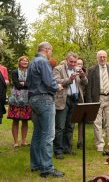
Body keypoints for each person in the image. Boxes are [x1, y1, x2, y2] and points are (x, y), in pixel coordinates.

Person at [26, 42, 64, 178]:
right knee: (48, 135)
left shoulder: (32, 62)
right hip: (44, 99)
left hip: (33, 99)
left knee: (37, 134)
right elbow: (49, 82)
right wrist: (57, 86)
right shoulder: (43, 62)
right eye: (51, 51)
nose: (51, 53)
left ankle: (36, 164)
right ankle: (47, 168)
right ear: (46, 49)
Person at [53, 52, 88, 159]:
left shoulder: (77, 69)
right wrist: (70, 79)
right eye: (71, 61)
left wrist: (82, 76)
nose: (73, 64)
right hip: (63, 99)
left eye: (74, 62)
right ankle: (58, 151)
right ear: (66, 60)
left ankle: (67, 149)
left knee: (70, 126)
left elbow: (85, 83)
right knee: (60, 127)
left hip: (75, 99)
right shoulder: (58, 69)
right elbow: (56, 81)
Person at [86, 50, 109, 152]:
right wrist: (90, 101)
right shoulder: (92, 70)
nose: (102, 59)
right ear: (97, 58)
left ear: (107, 57)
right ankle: (99, 144)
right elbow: (88, 86)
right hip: (97, 98)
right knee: (97, 122)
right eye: (100, 57)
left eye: (104, 57)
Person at [7, 56, 32, 147]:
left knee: (25, 121)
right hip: (15, 100)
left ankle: (24, 141)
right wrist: (25, 84)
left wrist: (24, 83)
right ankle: (16, 142)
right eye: (23, 60)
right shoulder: (14, 72)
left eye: (26, 61)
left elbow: (31, 84)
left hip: (27, 100)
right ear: (19, 62)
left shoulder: (31, 72)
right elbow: (16, 85)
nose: (25, 62)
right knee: (15, 120)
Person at [75, 57, 87, 149]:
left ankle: (80, 141)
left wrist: (82, 75)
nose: (79, 65)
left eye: (81, 64)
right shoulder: (70, 71)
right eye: (78, 63)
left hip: (81, 99)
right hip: (71, 98)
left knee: (81, 121)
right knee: (71, 122)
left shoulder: (84, 73)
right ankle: (69, 142)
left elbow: (86, 83)